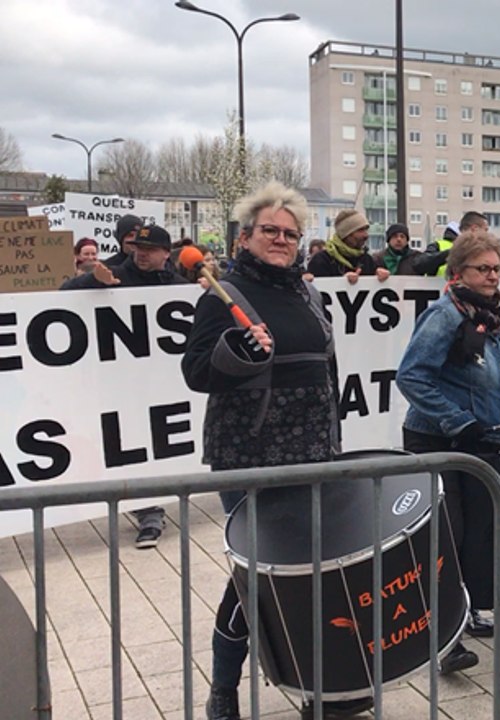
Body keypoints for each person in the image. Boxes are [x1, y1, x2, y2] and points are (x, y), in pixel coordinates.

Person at [180, 182, 367, 720]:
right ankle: (223, 688)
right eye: (270, 231)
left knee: (320, 574)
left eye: (290, 233)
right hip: (250, 456)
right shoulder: (223, 293)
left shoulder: (308, 292)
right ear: (246, 236)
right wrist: (236, 351)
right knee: (255, 578)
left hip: (314, 451)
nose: (281, 239)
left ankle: (325, 689)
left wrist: (334, 440)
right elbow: (197, 372)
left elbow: (327, 371)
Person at [396, 230, 500, 675]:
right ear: (457, 273)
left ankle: (465, 612)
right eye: (483, 269)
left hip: (474, 441)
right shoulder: (444, 315)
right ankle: (440, 638)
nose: (493, 277)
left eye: (496, 268)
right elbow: (412, 377)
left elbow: (490, 379)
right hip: (438, 441)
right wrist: (460, 423)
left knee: (475, 535)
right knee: (444, 539)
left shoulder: (486, 313)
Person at [62, 223, 188, 548]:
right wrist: (93, 281)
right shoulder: (114, 275)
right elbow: (61, 300)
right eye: (136, 247)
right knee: (131, 447)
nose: (141, 254)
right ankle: (147, 512)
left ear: (165, 253)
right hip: (121, 387)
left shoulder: (178, 285)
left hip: (161, 386)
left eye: (149, 249)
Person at [307, 208, 390, 283]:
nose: (366, 235)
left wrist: (380, 275)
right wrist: (342, 283)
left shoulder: (367, 260)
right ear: (346, 234)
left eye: (366, 229)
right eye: (360, 230)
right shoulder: (321, 260)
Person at [411, 211, 488, 276]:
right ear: (475, 229)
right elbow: (419, 265)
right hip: (442, 291)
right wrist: (453, 253)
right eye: (485, 230)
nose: (487, 234)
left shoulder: (483, 251)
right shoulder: (439, 246)